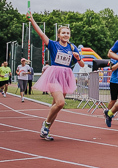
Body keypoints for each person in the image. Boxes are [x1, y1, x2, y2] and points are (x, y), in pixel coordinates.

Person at [28, 13, 85, 141]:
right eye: (63, 33)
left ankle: (46, 130)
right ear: (59, 35)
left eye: (68, 33)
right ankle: (45, 125)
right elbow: (42, 35)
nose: (66, 35)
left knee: (56, 106)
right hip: (54, 75)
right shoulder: (53, 45)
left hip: (66, 77)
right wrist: (32, 20)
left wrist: (78, 58)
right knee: (60, 103)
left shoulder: (72, 47)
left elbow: (81, 64)